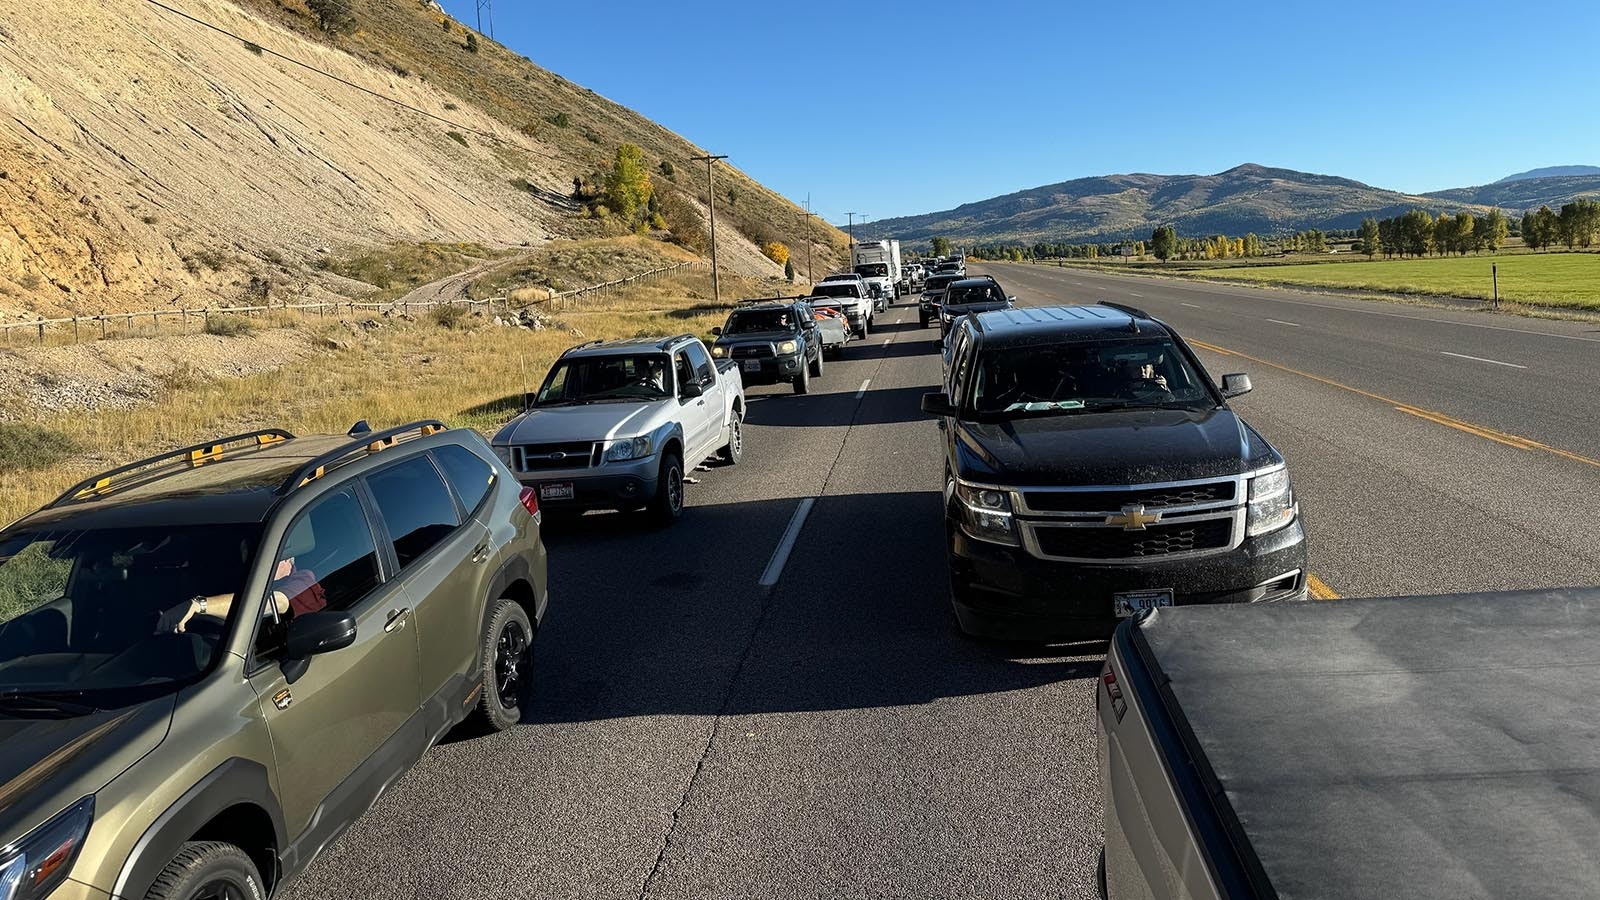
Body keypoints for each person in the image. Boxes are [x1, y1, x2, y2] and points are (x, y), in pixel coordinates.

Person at [158, 555, 325, 634]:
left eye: (263, 555)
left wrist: (198, 605)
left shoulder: (304, 580)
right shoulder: (241, 579)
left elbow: (275, 602)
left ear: (288, 557)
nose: (251, 561)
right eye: (247, 552)